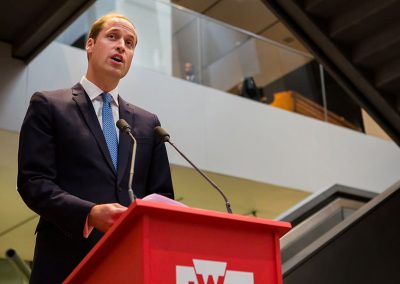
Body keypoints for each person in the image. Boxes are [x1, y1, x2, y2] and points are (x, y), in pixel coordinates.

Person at [17, 13, 174, 283]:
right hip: (67, 263)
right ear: (90, 45)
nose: (122, 46)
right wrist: (88, 213)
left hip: (132, 267)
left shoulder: (149, 125)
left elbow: (162, 199)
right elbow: (34, 182)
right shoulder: (49, 105)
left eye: (130, 42)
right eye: (112, 36)